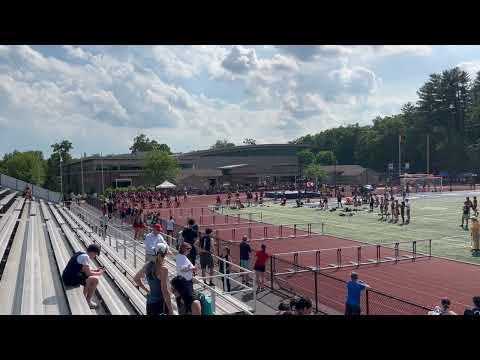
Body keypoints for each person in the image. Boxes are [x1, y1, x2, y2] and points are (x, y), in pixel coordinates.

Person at [133, 242, 173, 315]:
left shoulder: (148, 265)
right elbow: (165, 291)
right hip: (160, 304)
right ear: (166, 253)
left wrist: (146, 290)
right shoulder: (163, 269)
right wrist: (170, 310)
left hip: (150, 303)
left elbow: (136, 279)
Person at [62, 244, 104, 309]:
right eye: (95, 254)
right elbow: (88, 273)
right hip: (69, 280)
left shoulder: (81, 253)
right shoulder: (85, 257)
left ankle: (85, 298)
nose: (95, 256)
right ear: (93, 252)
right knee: (95, 280)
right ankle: (88, 301)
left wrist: (96, 270)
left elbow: (83, 269)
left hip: (67, 277)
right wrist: (99, 273)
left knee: (89, 278)